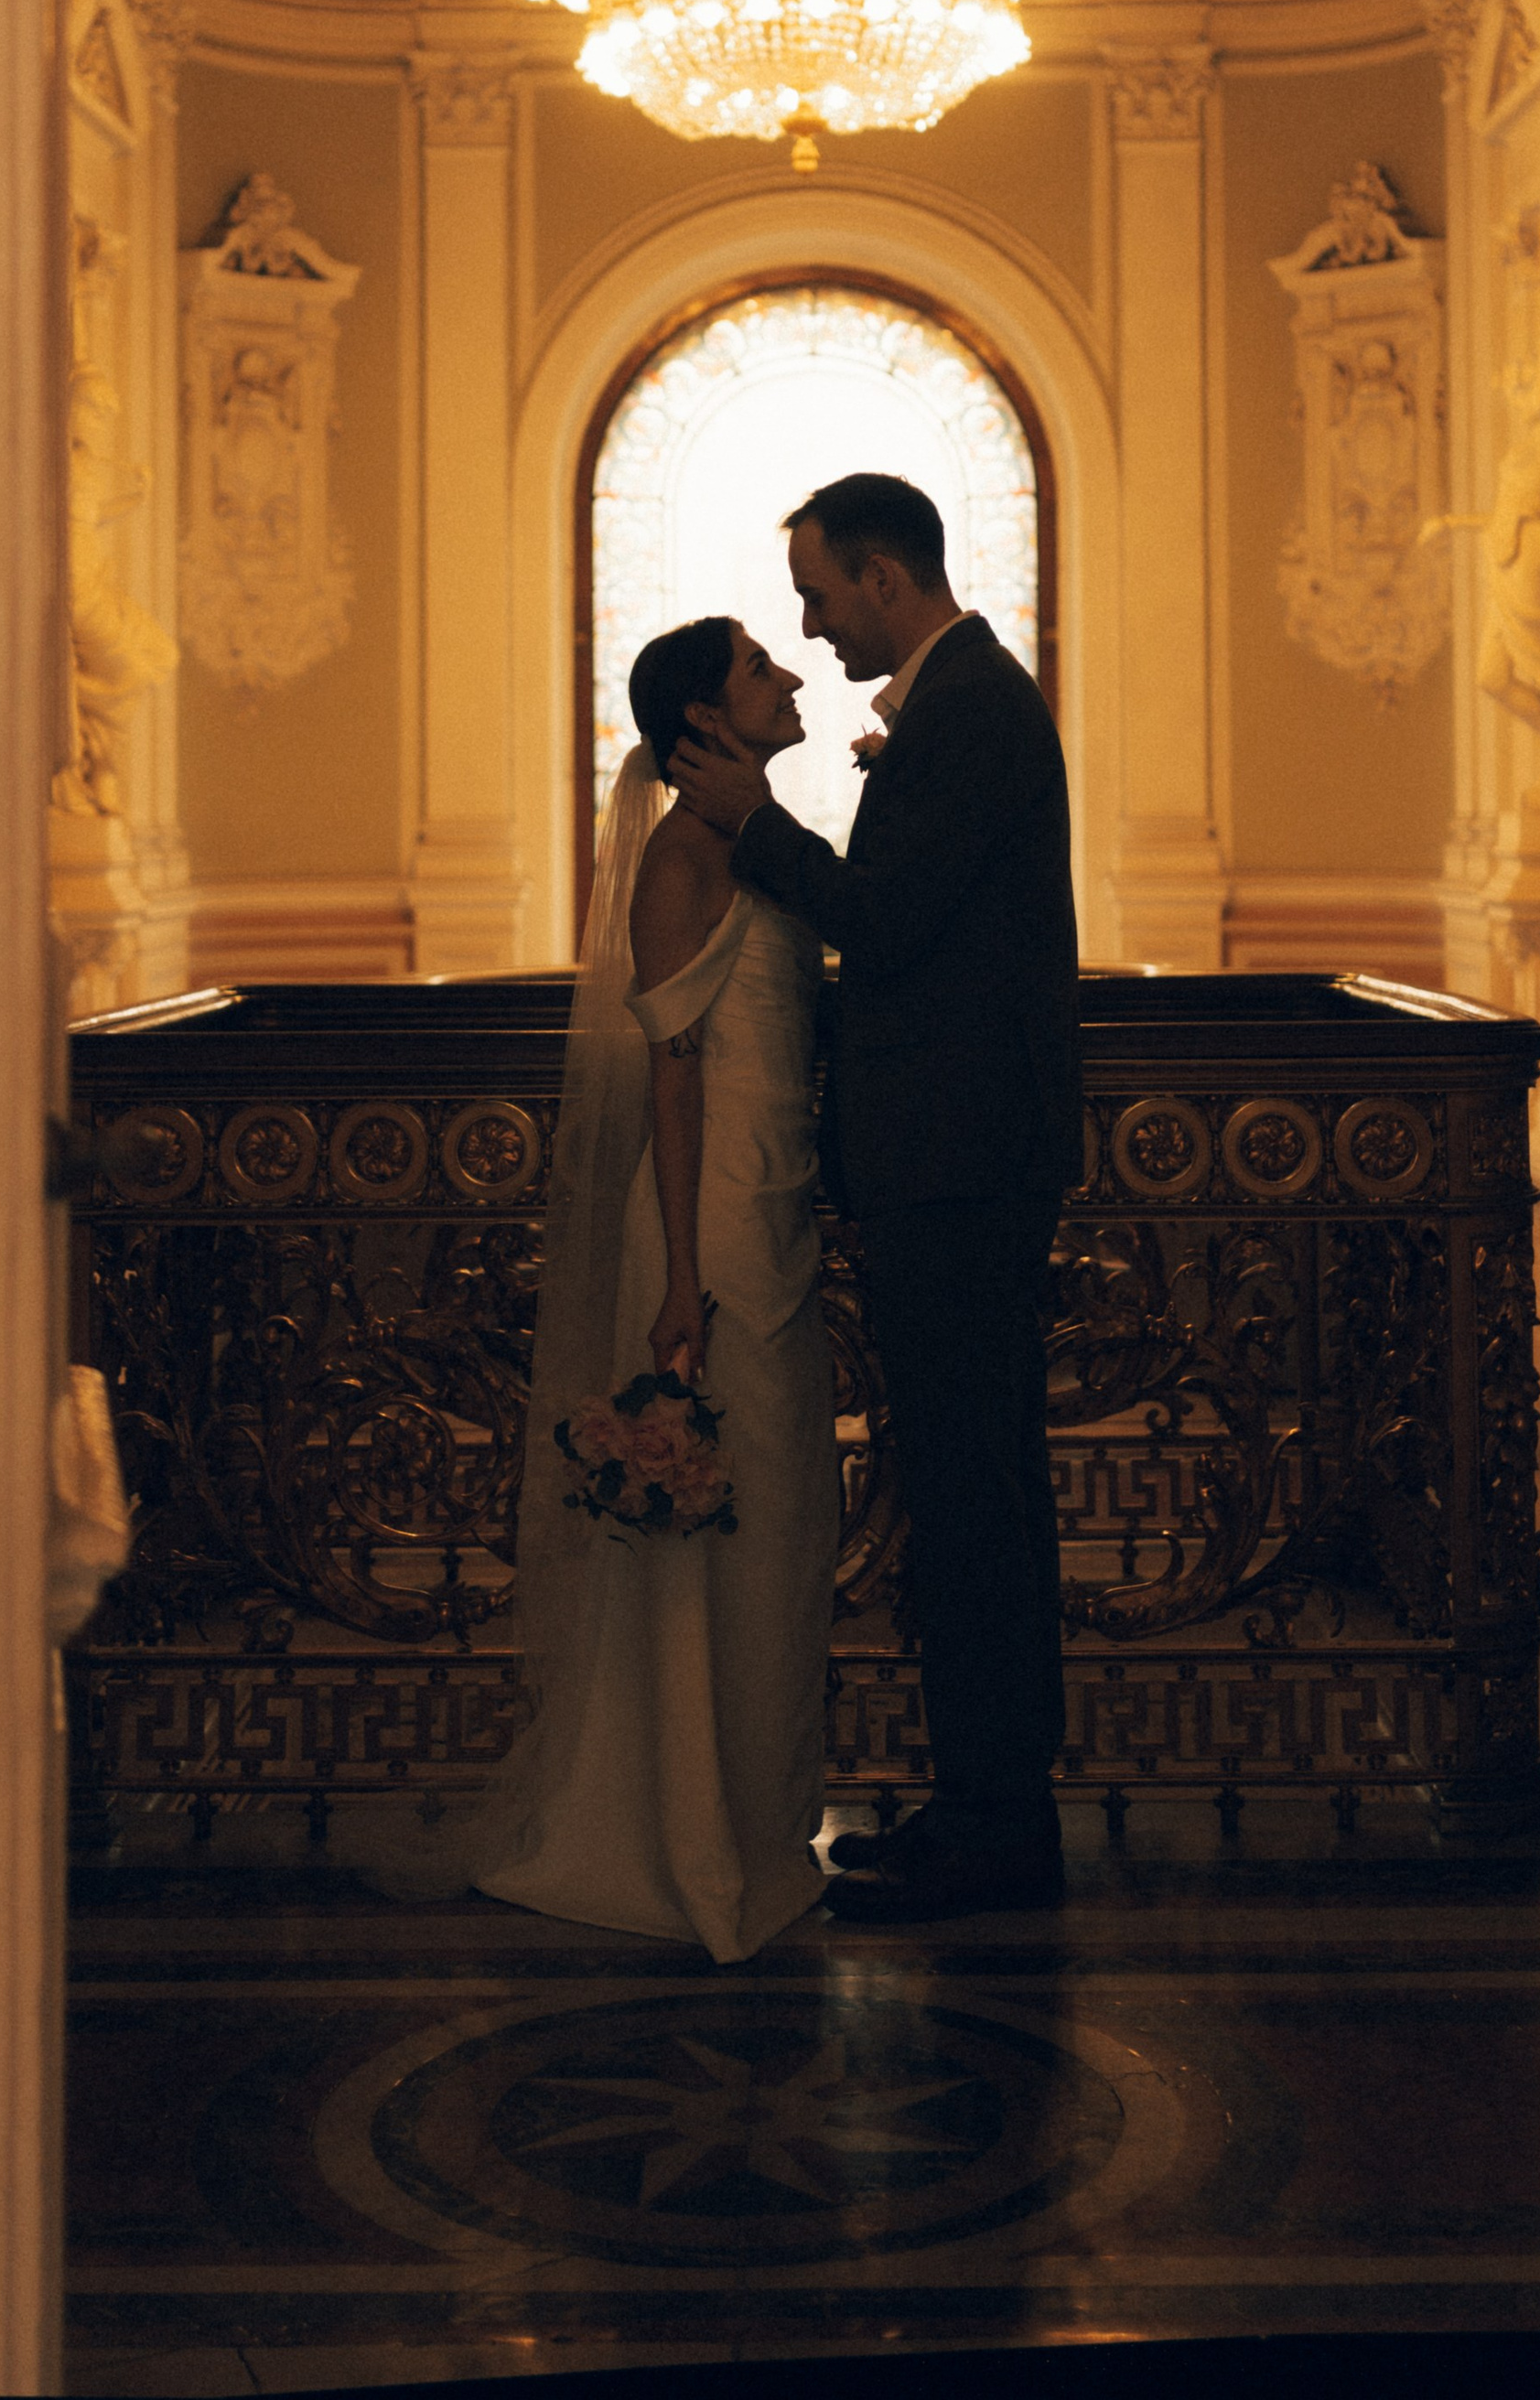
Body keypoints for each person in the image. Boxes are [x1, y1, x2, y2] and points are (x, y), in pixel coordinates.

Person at [671, 470, 1078, 1922]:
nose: (809, 622)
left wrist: (758, 822)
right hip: (950, 1163)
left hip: (963, 1168)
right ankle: (981, 1806)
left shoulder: (968, 706)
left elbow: (891, 923)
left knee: (973, 1497)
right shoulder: (964, 696)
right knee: (964, 1490)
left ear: (886, 581)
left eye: (819, 594)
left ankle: (998, 1826)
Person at [460, 617, 836, 1964]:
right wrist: (681, 1279)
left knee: (783, 1532)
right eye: (758, 670)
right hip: (709, 1235)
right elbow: (674, 1080)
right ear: (703, 721)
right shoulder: (683, 861)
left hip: (770, 1216)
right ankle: (687, 1844)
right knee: (720, 1539)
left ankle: (756, 1826)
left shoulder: (759, 853)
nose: (788, 677)